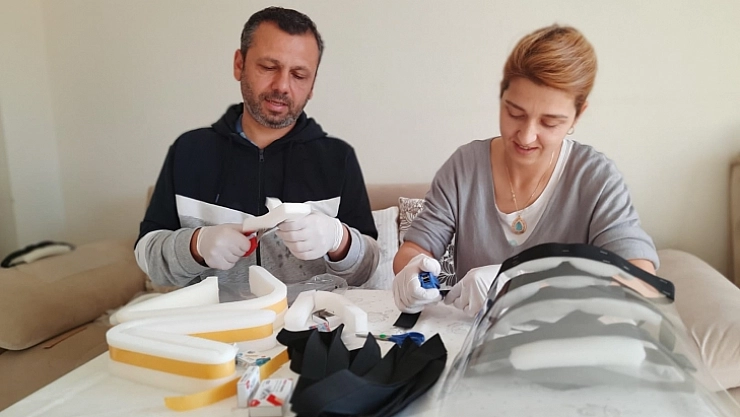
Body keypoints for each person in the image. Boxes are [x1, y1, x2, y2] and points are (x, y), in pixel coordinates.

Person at [392, 25, 658, 316]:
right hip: (473, 339)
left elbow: (642, 285)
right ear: (501, 98)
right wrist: (414, 273)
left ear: (577, 115)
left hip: (562, 338)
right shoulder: (464, 167)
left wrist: (522, 285)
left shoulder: (596, 180)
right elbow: (415, 250)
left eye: (549, 122)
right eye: (514, 113)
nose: (526, 136)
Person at [135, 7, 379, 297]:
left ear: (312, 84)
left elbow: (366, 271)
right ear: (239, 64)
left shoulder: (338, 158)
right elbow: (147, 257)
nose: (282, 86)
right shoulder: (188, 151)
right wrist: (196, 245)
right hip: (214, 321)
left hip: (311, 319)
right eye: (268, 67)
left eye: (299, 75)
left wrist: (339, 240)